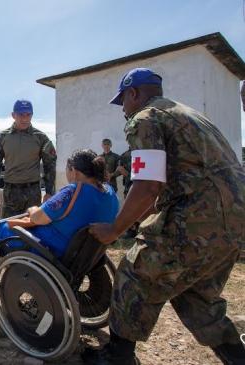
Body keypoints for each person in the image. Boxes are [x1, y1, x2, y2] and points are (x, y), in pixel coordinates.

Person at [87, 68, 245, 365]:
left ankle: (116, 357)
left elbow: (147, 186)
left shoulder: (146, 119)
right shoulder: (190, 114)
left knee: (134, 271)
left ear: (134, 94)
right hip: (235, 218)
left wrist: (114, 230)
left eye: (123, 101)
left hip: (200, 214)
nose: (123, 109)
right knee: (195, 297)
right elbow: (157, 190)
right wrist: (136, 219)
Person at [0, 149, 118, 258]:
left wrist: (33, 209)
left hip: (56, 250)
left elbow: (38, 218)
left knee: (4, 226)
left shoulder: (72, 191)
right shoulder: (110, 192)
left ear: (74, 171)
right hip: (86, 254)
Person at [0, 99, 57, 218]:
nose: (25, 118)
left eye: (28, 115)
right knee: (9, 227)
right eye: (21, 115)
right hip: (11, 191)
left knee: (33, 228)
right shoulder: (2, 137)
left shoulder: (41, 138)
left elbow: (50, 165)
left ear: (32, 115)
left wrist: (50, 192)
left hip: (33, 191)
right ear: (13, 115)